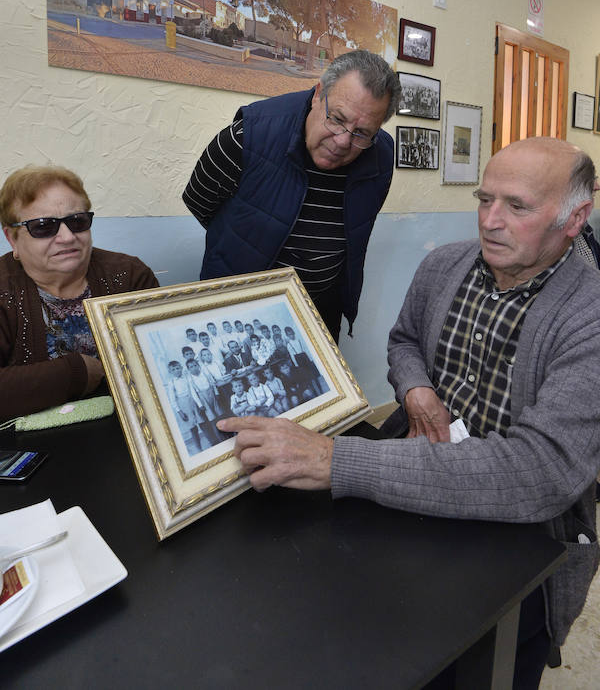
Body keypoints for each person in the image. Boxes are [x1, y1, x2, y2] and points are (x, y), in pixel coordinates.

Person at [218, 138, 600, 689]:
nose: (491, 221)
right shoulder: (445, 265)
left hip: (517, 544)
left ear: (574, 218)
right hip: (410, 491)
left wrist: (340, 462)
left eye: (517, 207)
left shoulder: (587, 316)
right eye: (484, 198)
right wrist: (416, 388)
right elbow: (404, 342)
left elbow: (541, 474)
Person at [182, 50, 399, 341]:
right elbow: (200, 201)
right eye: (337, 119)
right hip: (235, 311)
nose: (343, 141)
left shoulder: (380, 155)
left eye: (362, 132)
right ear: (318, 94)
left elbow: (354, 230)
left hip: (318, 315)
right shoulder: (247, 136)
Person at [0, 165, 158, 420]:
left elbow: (159, 366)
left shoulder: (130, 276)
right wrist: (76, 373)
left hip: (129, 434)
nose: (67, 237)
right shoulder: (3, 289)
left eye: (77, 221)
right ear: (13, 239)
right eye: (43, 226)